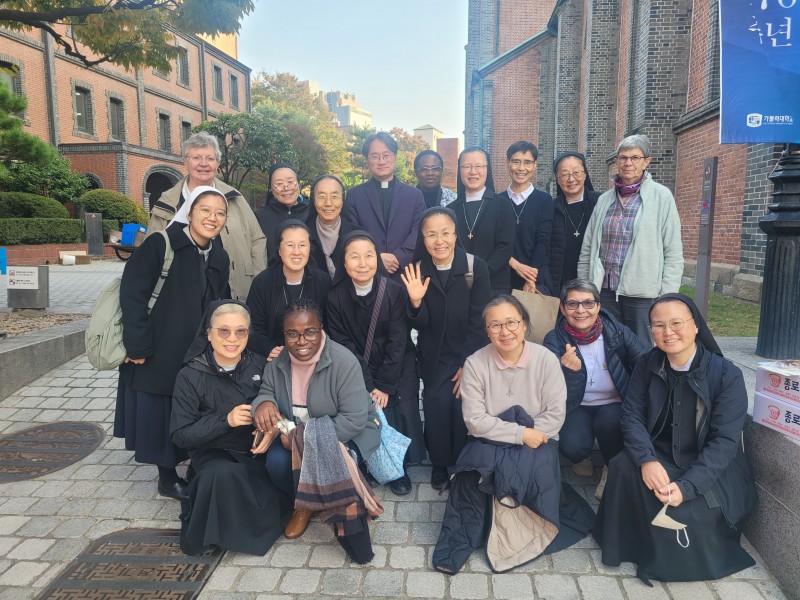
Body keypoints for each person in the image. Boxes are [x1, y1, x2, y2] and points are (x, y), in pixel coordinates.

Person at [594, 294, 757, 583]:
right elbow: (631, 415)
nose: (668, 332)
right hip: (660, 453)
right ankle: (626, 546)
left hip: (706, 463)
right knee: (622, 465)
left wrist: (688, 486)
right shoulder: (647, 364)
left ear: (696, 326)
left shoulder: (727, 375)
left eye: (676, 323)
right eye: (658, 325)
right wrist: (646, 460)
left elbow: (724, 441)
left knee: (689, 515)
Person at [433, 295, 593, 574]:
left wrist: (531, 435)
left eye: (511, 323)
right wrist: (520, 434)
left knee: (532, 466)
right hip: (490, 437)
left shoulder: (545, 360)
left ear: (524, 324)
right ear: (487, 331)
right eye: (495, 325)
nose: (504, 331)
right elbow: (475, 421)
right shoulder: (475, 363)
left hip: (539, 437)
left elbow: (555, 415)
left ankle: (517, 533)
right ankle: (473, 532)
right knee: (471, 474)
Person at [115, 186, 230, 501]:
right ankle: (166, 478)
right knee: (161, 412)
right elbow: (132, 295)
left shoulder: (219, 255)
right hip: (158, 350)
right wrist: (137, 346)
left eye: (220, 213)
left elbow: (221, 301)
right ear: (189, 212)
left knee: (190, 408)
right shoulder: (160, 244)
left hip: (197, 351)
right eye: (205, 210)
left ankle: (194, 465)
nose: (213, 218)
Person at [251, 299, 381, 563]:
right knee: (276, 463)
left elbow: (353, 420)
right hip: (294, 437)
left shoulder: (343, 361)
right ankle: (304, 504)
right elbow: (266, 391)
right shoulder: (277, 363)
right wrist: (262, 403)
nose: (301, 341)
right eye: (292, 334)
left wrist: (302, 438)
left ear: (321, 330)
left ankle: (333, 507)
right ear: (284, 334)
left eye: (310, 332)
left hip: (345, 435)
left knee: (332, 460)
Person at [170, 301, 292, 555]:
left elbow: (281, 409)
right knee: (221, 474)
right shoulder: (190, 375)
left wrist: (271, 429)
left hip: (256, 453)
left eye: (240, 331)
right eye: (224, 331)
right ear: (209, 333)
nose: (232, 339)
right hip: (214, 454)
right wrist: (226, 421)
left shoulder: (260, 365)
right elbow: (180, 435)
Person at [326, 231, 425, 495]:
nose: (362, 263)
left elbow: (398, 340)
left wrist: (384, 385)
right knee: (363, 409)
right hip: (356, 367)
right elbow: (343, 344)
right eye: (354, 256)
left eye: (369, 255)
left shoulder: (393, 290)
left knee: (399, 407)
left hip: (398, 363)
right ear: (343, 261)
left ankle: (399, 468)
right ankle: (371, 462)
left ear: (377, 259)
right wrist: (369, 384)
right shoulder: (335, 297)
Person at [402, 207, 492, 489]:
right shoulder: (417, 270)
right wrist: (415, 302)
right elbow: (418, 324)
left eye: (445, 233)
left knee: (463, 405)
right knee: (436, 405)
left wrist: (469, 364)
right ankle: (440, 463)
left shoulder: (475, 267)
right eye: (431, 235)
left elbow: (481, 320)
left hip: (469, 352)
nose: (439, 241)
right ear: (423, 238)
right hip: (433, 356)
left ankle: (462, 462)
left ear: (455, 235)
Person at [543, 279, 648, 499]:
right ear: (563, 308)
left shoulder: (617, 332)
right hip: (575, 404)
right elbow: (550, 389)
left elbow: (644, 363)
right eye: (573, 304)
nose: (581, 310)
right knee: (572, 445)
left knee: (610, 423)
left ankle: (612, 465)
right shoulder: (554, 339)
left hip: (614, 401)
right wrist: (569, 372)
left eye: (588, 303)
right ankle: (582, 456)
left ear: (598, 306)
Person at [578, 134, 683, 345]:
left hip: (642, 294)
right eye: (623, 157)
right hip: (605, 291)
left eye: (635, 158)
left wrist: (667, 295)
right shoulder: (605, 200)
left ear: (646, 161)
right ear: (616, 161)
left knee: (642, 349)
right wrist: (585, 287)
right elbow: (588, 248)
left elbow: (672, 251)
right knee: (608, 346)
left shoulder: (661, 197)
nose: (628, 163)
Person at [148, 132, 265, 301]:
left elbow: (257, 240)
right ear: (185, 161)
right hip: (179, 295)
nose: (203, 163)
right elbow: (151, 250)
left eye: (210, 158)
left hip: (232, 291)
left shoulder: (235, 198)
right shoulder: (167, 202)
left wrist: (258, 284)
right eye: (196, 157)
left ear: (218, 163)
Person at [346, 132, 426, 281]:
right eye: (375, 156)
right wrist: (376, 256)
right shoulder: (354, 195)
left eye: (386, 155)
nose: (381, 161)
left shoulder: (414, 195)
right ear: (367, 160)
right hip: (368, 274)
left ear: (395, 157)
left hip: (405, 275)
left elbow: (418, 231)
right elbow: (353, 231)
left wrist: (398, 257)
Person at [246, 220, 330, 361]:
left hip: (314, 356)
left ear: (309, 248)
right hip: (273, 358)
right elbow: (253, 327)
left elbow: (329, 325)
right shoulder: (262, 283)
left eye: (302, 245)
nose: (296, 252)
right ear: (279, 250)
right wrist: (269, 349)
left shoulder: (323, 282)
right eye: (290, 245)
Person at [447, 147, 516, 295]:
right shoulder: (450, 210)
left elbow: (505, 247)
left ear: (487, 169)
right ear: (460, 170)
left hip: (495, 285)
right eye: (467, 166)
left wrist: (481, 273)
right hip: (459, 284)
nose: (473, 172)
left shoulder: (502, 205)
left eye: (479, 166)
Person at [497, 141, 554, 294]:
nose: (521, 168)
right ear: (508, 163)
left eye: (527, 162)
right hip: (503, 277)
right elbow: (494, 242)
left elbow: (543, 241)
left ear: (534, 165)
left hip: (535, 277)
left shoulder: (544, 200)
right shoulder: (497, 201)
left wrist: (530, 277)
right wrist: (515, 265)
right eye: (516, 162)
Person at [549, 152, 601, 293]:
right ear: (557, 179)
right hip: (560, 282)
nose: (571, 179)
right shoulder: (550, 208)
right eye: (564, 174)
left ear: (585, 174)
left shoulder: (601, 202)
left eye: (576, 172)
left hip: (595, 281)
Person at [255, 163, 312, 263]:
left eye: (290, 182)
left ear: (298, 184)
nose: (286, 187)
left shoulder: (313, 212)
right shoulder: (260, 217)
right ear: (271, 189)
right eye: (279, 183)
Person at [307, 174, 357, 280]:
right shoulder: (302, 235)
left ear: (342, 200)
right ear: (313, 200)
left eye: (334, 197)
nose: (328, 203)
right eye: (322, 197)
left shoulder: (357, 235)